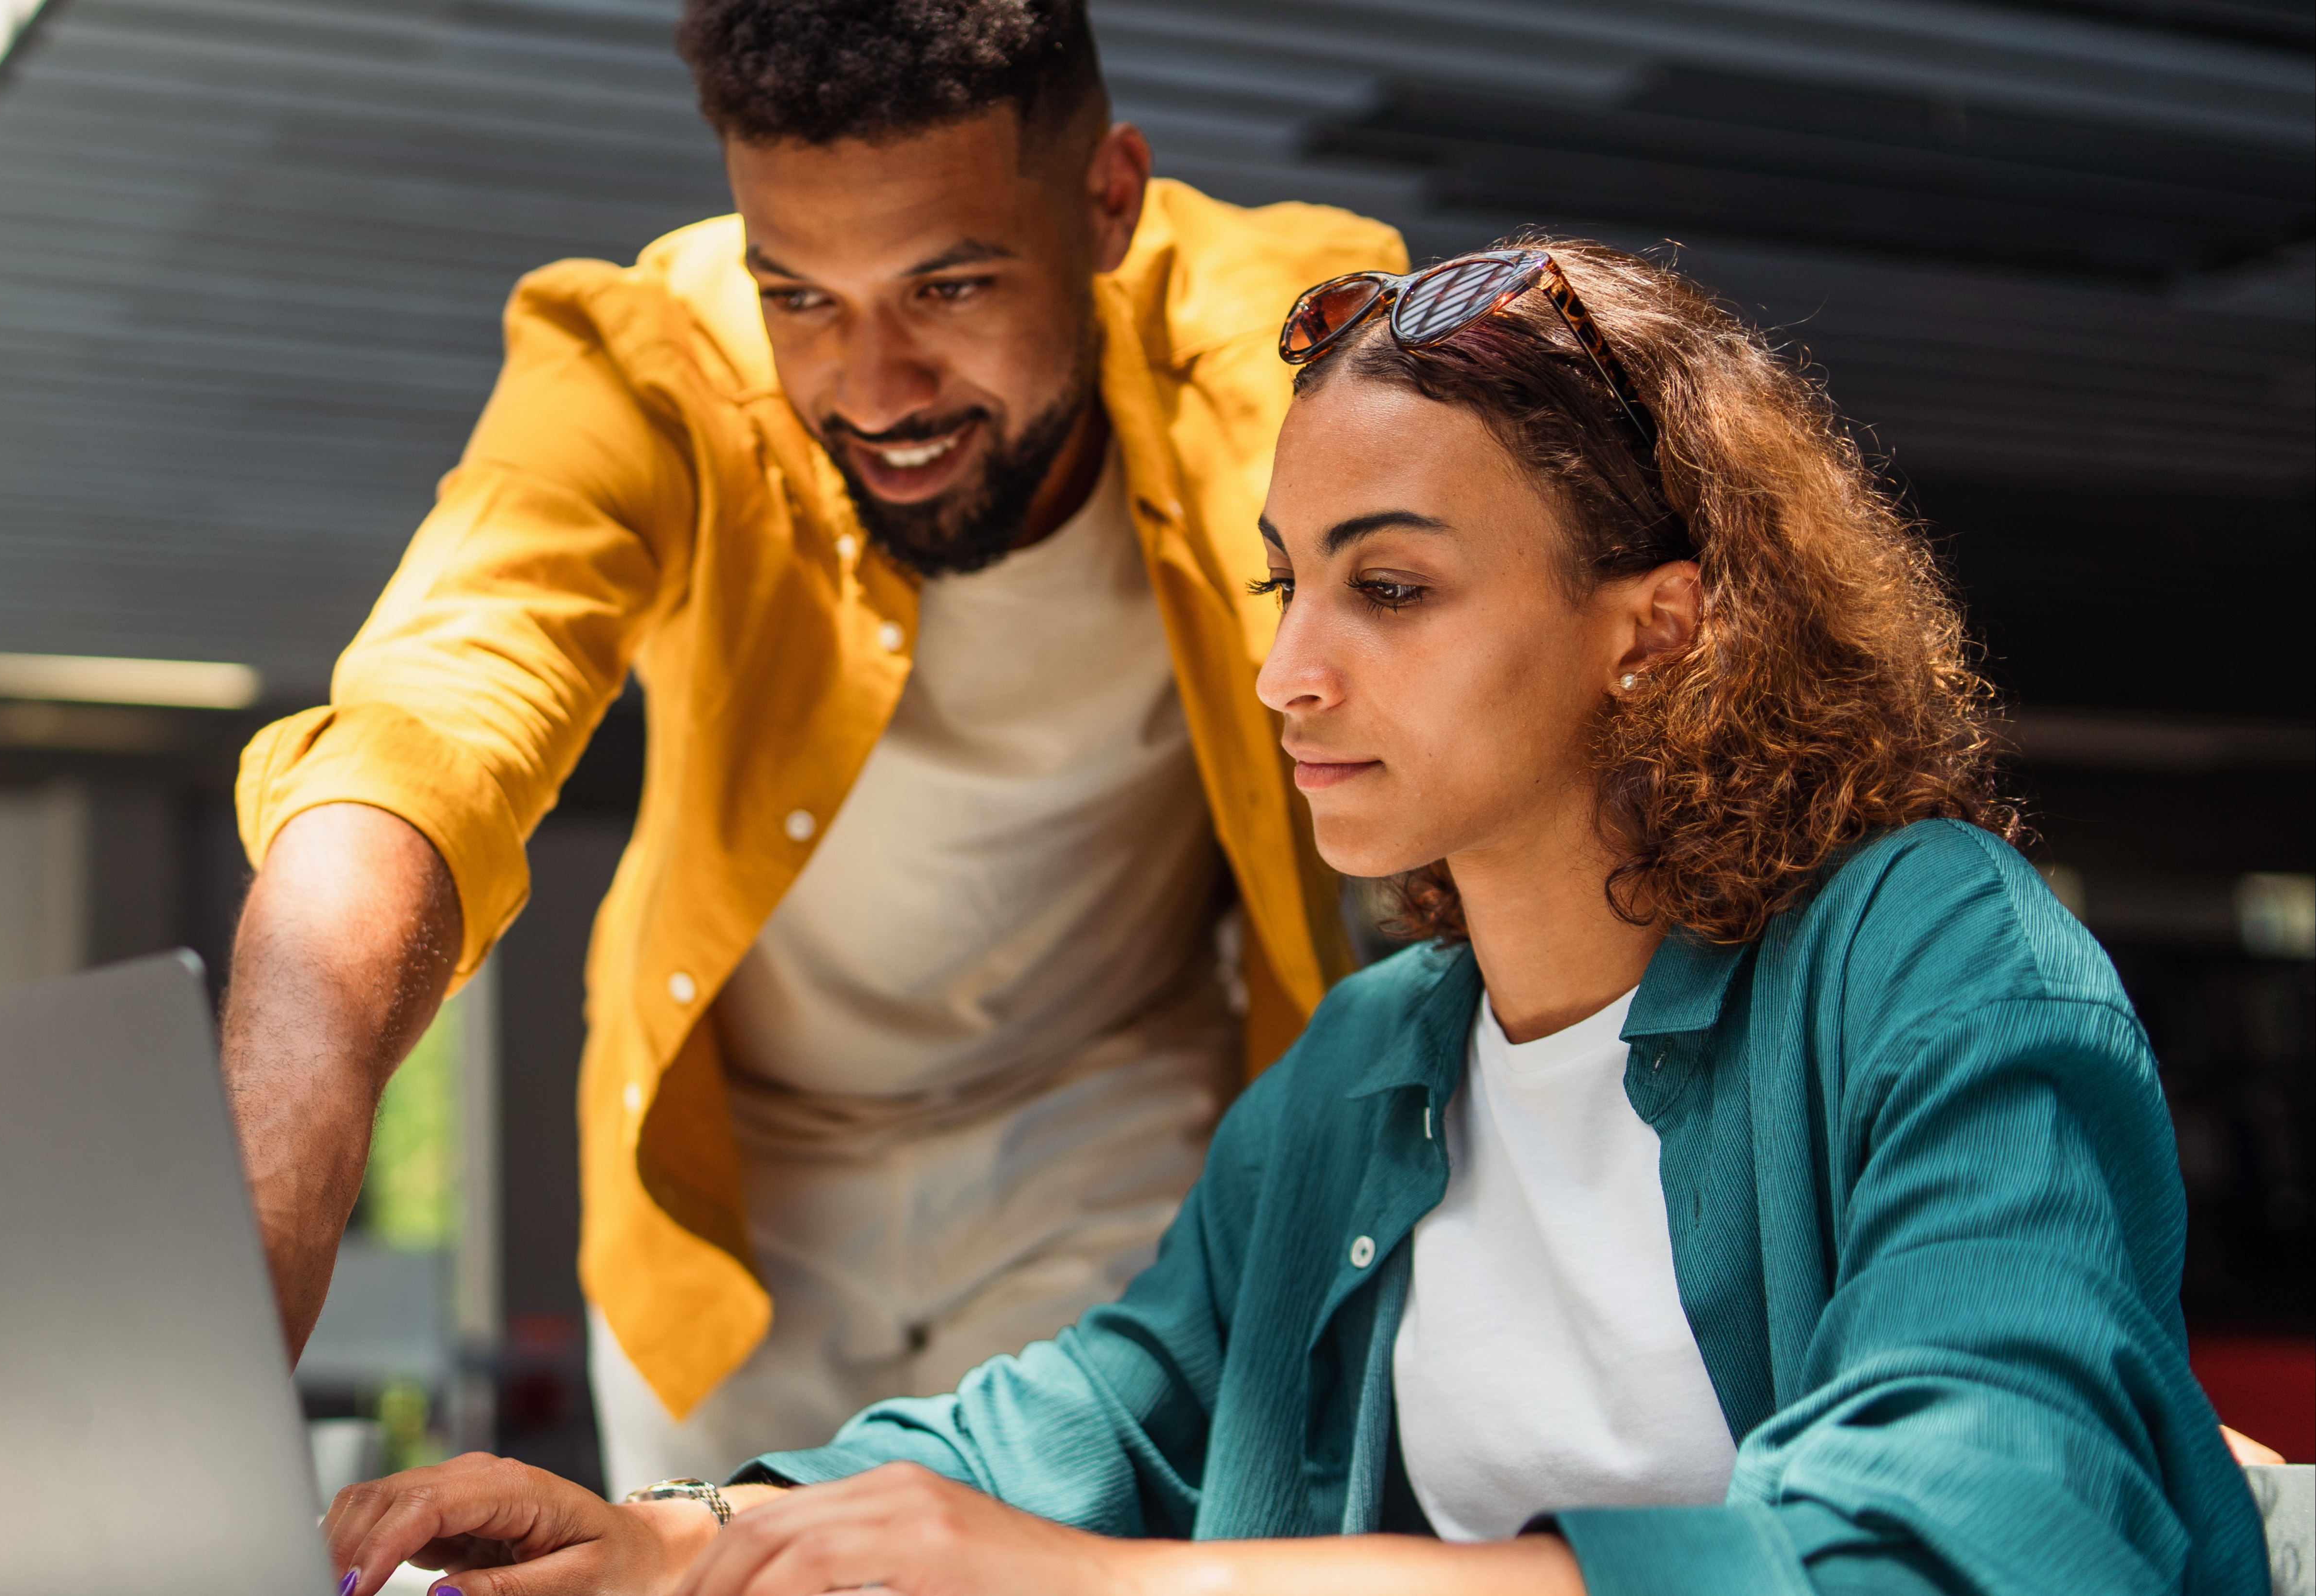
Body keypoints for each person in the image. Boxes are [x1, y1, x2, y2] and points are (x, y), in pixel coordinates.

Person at [315, 239, 2277, 1595]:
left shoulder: (1929, 954)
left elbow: (1978, 1545)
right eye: (1285, 583)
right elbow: (1100, 1420)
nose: (1285, 675)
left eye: (1390, 589)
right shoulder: (1374, 1061)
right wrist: (673, 1536)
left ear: (1655, 628)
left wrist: (1116, 1588)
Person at [222, 0, 1405, 1486]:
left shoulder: (1282, 338)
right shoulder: (651, 360)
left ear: (1108, 201)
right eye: (799, 297)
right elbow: (432, 714)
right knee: (706, 1564)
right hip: (737, 1195)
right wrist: (269, 1176)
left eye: (949, 287)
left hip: (1107, 1131)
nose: (876, 389)